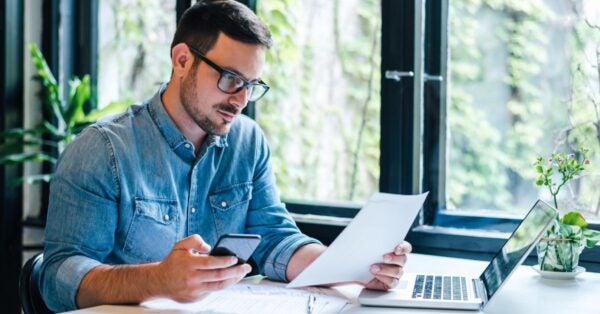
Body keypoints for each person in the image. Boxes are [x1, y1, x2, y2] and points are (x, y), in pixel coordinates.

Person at [39, 0, 412, 311]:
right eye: (231, 79)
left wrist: (353, 266)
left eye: (251, 85)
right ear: (183, 60)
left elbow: (273, 237)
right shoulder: (103, 150)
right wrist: (156, 279)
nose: (240, 101)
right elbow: (58, 278)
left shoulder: (247, 142)